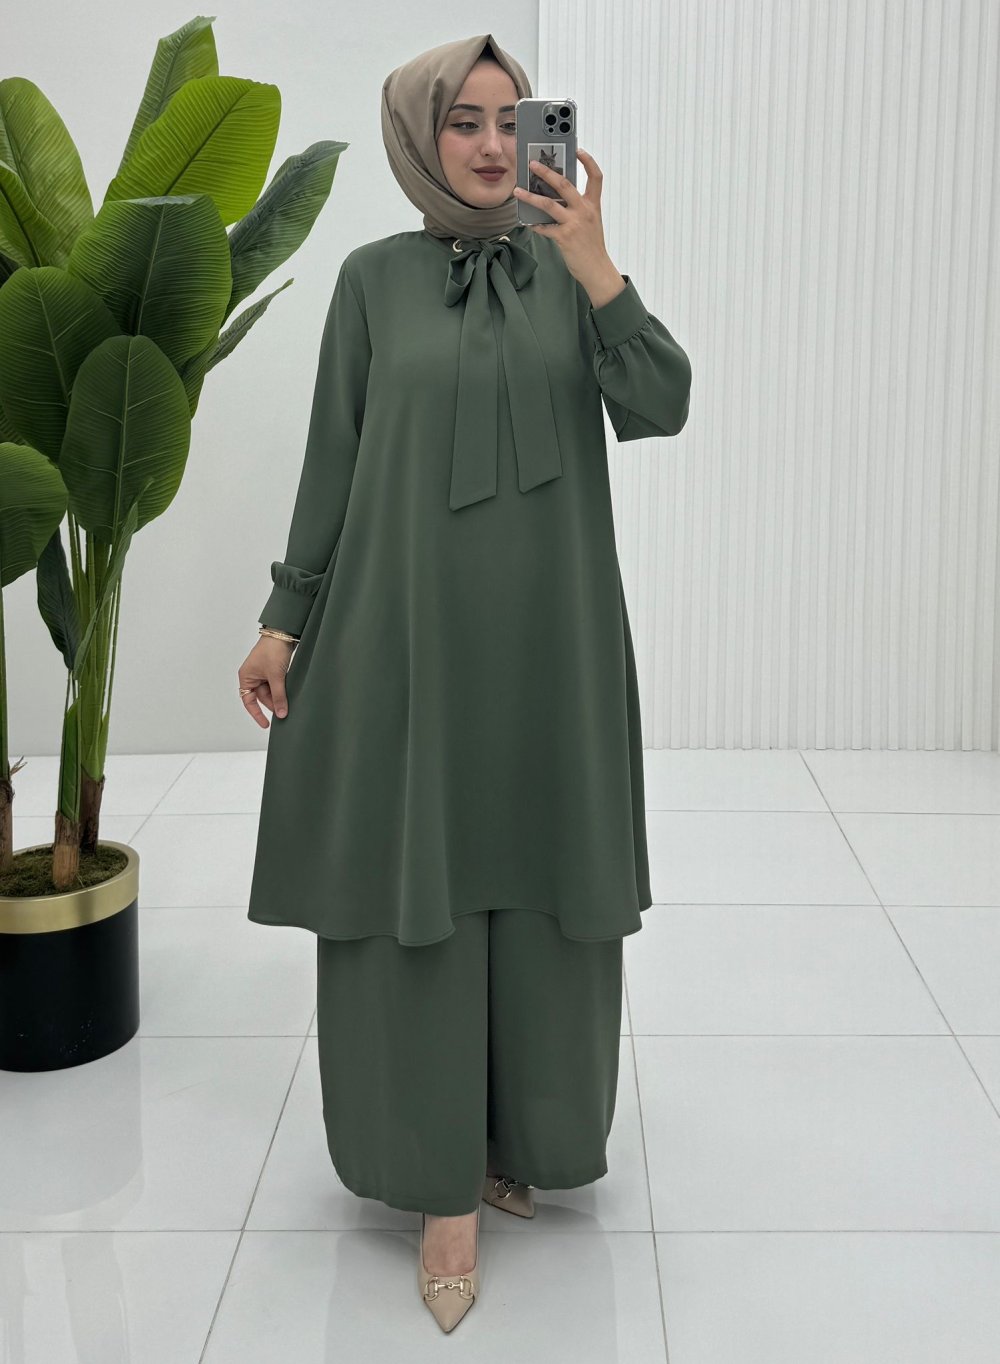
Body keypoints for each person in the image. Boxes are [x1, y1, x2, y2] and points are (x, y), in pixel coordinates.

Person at [237, 32, 691, 1332]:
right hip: (409, 641)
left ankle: (524, 1139)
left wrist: (597, 266)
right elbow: (333, 464)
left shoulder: (570, 272)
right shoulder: (370, 283)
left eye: (511, 120)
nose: (493, 146)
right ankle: (438, 1184)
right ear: (419, 136)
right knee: (419, 889)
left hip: (552, 639)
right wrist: (282, 619)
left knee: (542, 872)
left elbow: (661, 404)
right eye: (464, 122)